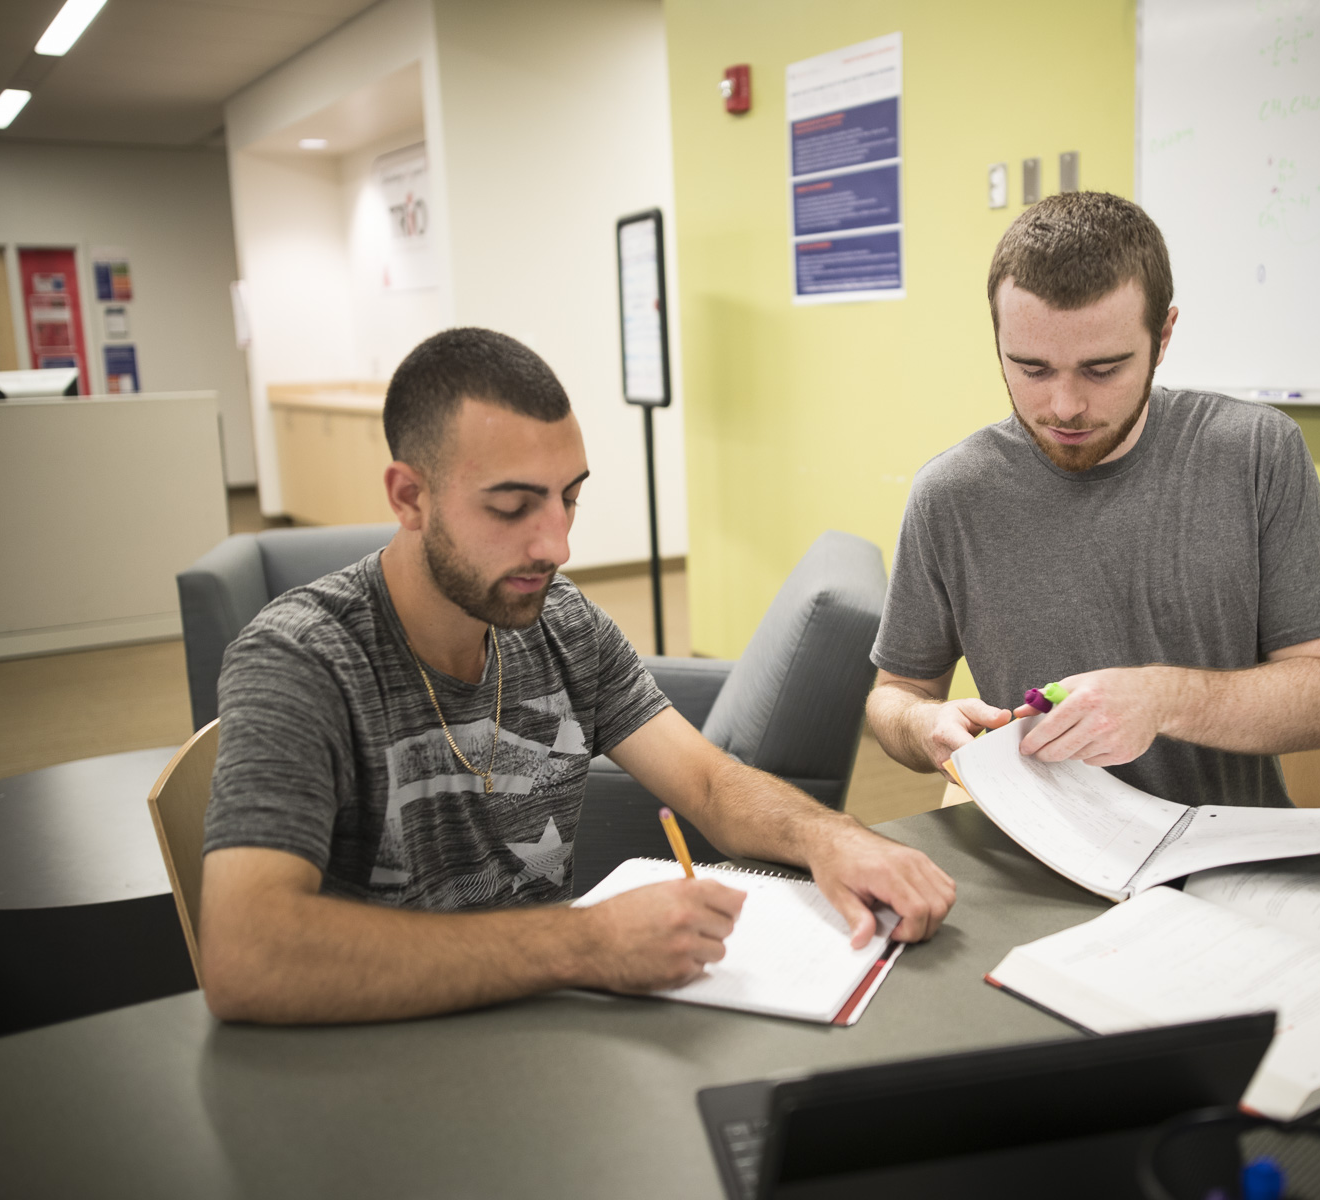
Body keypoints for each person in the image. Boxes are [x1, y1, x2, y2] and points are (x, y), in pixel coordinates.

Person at [201, 327, 955, 1025]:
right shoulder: (302, 659)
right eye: (512, 507)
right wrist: (584, 943)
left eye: (569, 497)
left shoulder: (560, 622)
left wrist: (829, 836)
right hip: (379, 1065)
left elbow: (710, 786)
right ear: (410, 498)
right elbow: (247, 952)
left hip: (548, 1040)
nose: (557, 543)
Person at [865, 192, 1320, 807]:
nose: (1065, 406)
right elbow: (895, 693)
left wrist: (1161, 699)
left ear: (1164, 336)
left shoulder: (1256, 454)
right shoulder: (951, 494)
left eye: (1102, 370)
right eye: (1031, 368)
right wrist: (920, 726)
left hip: (1222, 861)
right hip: (1039, 859)